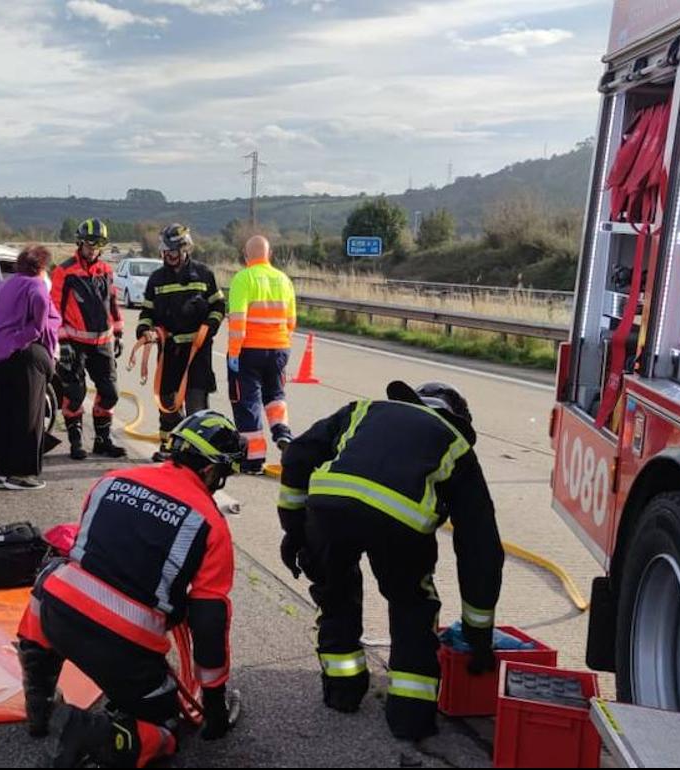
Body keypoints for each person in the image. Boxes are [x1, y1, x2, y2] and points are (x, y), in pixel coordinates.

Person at [16, 411, 244, 767]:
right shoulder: (211, 524)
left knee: (55, 576)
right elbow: (210, 622)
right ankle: (90, 734)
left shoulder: (112, 480)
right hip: (123, 647)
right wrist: (214, 705)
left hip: (56, 617)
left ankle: (39, 702)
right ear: (211, 470)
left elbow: (98, 553)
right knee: (166, 730)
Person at [278, 381, 503, 741]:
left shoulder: (364, 409)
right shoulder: (457, 445)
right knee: (412, 607)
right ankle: (409, 719)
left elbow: (298, 453)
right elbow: (480, 548)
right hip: (401, 527)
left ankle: (343, 692)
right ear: (456, 417)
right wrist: (478, 637)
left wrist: (294, 529)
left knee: (336, 592)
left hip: (330, 510)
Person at [0, 244, 61, 491]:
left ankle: (3, 471)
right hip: (25, 357)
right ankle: (21, 475)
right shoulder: (36, 286)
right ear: (42, 267)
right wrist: (22, 335)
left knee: (4, 414)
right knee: (28, 416)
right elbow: (40, 322)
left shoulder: (4, 285)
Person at [136, 224, 226, 462]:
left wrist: (209, 328)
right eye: (166, 251)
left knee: (196, 406)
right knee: (167, 403)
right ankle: (169, 447)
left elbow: (218, 306)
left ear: (185, 249)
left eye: (174, 251)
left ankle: (196, 453)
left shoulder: (204, 275)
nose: (170, 256)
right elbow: (147, 312)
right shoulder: (156, 280)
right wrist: (146, 331)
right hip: (170, 353)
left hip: (197, 353)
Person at [50, 219, 127, 460]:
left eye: (99, 244)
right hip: (74, 343)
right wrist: (62, 342)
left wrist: (118, 332)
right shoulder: (64, 271)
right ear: (80, 242)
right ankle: (75, 442)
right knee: (74, 394)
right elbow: (54, 308)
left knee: (110, 392)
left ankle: (102, 441)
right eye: (90, 243)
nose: (93, 248)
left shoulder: (105, 270)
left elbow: (112, 303)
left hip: (102, 343)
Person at [225, 235, 297, 474]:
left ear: (246, 256)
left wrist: (234, 353)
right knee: (275, 394)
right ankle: (282, 432)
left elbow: (238, 322)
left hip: (248, 350)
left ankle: (254, 459)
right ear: (270, 254)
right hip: (279, 348)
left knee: (248, 401)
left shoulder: (243, 279)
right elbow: (291, 321)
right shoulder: (283, 280)